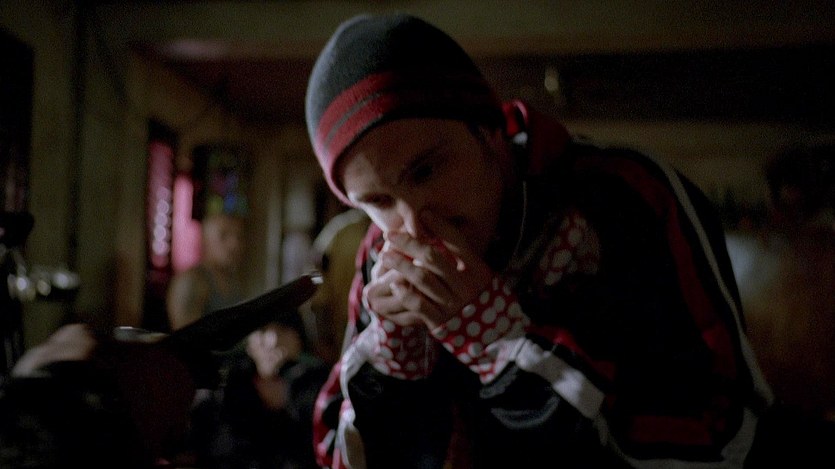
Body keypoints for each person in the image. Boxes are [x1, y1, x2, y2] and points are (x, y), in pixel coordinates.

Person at [304, 13, 774, 469]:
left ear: (488, 128)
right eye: (378, 201)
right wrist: (393, 378)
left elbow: (730, 438)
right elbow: (336, 452)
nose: (415, 226)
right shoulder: (381, 253)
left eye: (426, 170)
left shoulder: (627, 196)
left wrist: (505, 347)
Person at [189, 317, 330, 469]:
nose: (273, 341)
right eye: (262, 331)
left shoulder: (319, 386)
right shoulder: (226, 394)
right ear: (248, 342)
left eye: (282, 330)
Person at [167, 211, 246, 331]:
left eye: (239, 237)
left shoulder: (233, 281)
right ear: (205, 240)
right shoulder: (191, 281)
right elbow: (186, 336)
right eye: (223, 235)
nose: (234, 244)